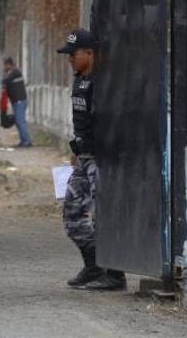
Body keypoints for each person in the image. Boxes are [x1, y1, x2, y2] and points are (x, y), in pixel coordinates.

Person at [56, 28, 126, 291]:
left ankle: (115, 275)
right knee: (72, 214)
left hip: (102, 158)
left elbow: (110, 123)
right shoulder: (80, 80)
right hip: (84, 157)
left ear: (89, 53)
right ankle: (94, 266)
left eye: (73, 54)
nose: (70, 59)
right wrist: (76, 152)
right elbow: (82, 122)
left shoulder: (103, 83)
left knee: (105, 215)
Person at [3, 57, 32, 147]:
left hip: (20, 101)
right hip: (16, 101)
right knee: (18, 121)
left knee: (20, 121)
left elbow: (5, 81)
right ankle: (23, 140)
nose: (3, 67)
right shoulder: (12, 73)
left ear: (9, 64)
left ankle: (27, 141)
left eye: (4, 65)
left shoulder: (15, 72)